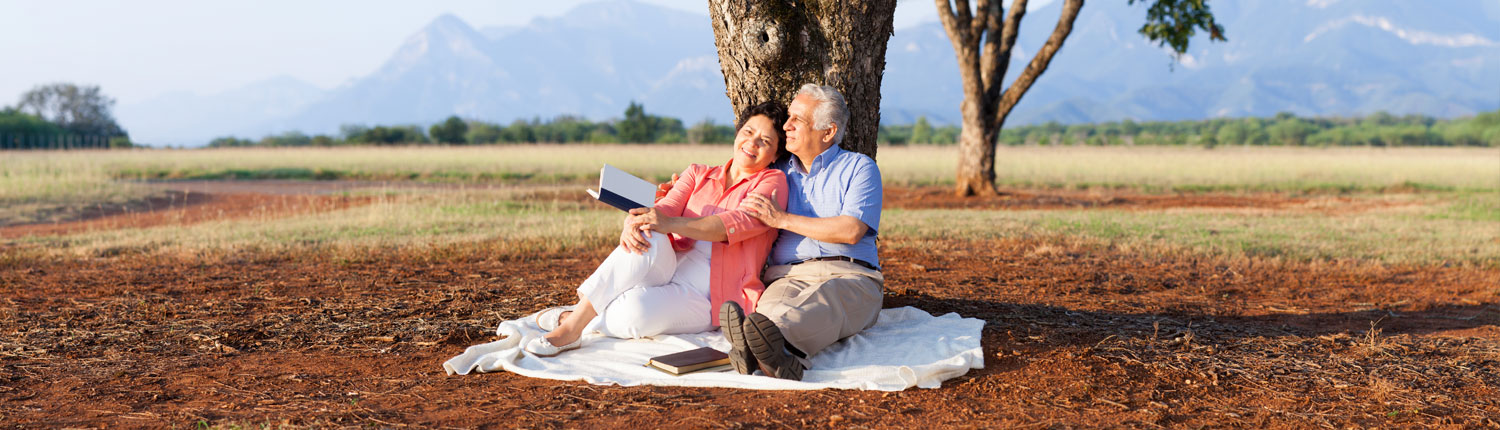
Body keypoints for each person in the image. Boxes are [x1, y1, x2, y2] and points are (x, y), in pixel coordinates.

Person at [524, 102, 790, 356]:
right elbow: (665, 208)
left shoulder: (773, 182)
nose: (752, 143)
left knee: (633, 314)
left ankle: (570, 316)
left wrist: (669, 223)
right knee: (646, 230)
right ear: (737, 133)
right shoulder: (698, 173)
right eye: (748, 132)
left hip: (709, 296)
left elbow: (732, 225)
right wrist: (635, 221)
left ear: (776, 154)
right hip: (668, 265)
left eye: (764, 141)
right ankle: (571, 331)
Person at [724, 84, 883, 380]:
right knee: (768, 312)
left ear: (828, 132)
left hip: (851, 277)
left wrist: (782, 219)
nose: (786, 126)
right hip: (788, 275)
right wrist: (687, 190)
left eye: (797, 119)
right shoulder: (776, 171)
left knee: (823, 302)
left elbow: (850, 230)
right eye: (788, 118)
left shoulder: (859, 168)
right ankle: (768, 352)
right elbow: (732, 189)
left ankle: (760, 348)